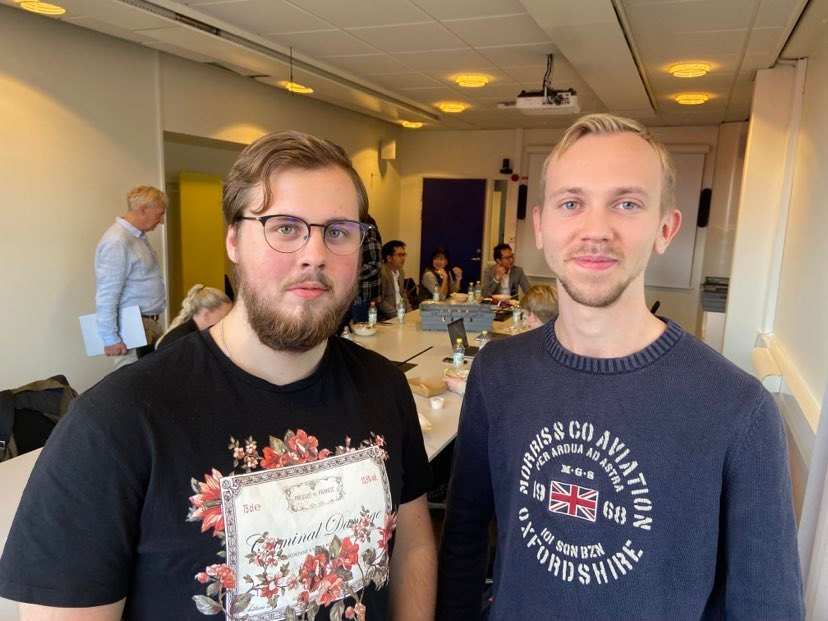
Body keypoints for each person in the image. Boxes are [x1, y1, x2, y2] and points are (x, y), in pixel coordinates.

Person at [0, 131, 436, 620]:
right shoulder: (114, 423)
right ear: (233, 239)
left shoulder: (383, 386)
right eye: (285, 227)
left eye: (337, 231)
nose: (315, 254)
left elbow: (413, 541)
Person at [437, 114, 804, 619]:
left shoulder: (737, 409)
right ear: (541, 227)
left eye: (626, 204)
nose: (595, 230)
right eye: (572, 203)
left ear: (665, 228)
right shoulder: (498, 372)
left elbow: (766, 606)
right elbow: (463, 538)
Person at [95, 185, 168, 368]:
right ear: (142, 209)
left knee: (151, 380)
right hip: (132, 326)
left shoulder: (137, 238)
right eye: (159, 214)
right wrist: (110, 338)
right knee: (132, 383)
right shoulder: (117, 240)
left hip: (147, 323)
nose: (161, 221)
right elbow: (107, 293)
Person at [155, 284, 232, 350]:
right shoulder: (185, 341)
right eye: (223, 318)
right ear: (207, 315)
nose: (227, 323)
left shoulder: (192, 336)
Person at [345, 213, 382, 324]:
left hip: (364, 295)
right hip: (356, 294)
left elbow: (374, 264)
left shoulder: (368, 231)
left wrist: (349, 277)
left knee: (363, 334)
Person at [378, 240, 411, 320]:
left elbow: (403, 294)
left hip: (401, 314)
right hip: (387, 318)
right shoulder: (382, 273)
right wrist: (397, 315)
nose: (403, 258)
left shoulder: (401, 271)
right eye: (400, 255)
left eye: (404, 255)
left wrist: (410, 312)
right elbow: (380, 301)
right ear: (389, 257)